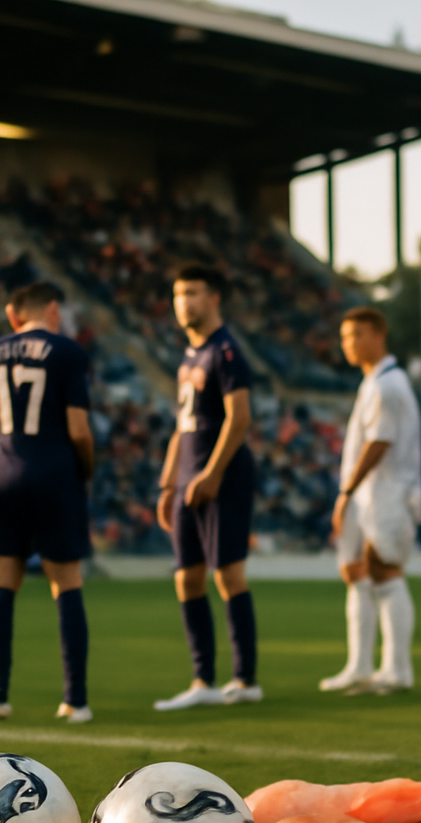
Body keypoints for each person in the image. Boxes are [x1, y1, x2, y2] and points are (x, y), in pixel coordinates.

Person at [0, 282, 96, 724]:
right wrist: (86, 471)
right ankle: (74, 701)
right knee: (66, 584)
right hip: (56, 476)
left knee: (2, 585)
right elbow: (79, 429)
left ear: (14, 315)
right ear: (53, 310)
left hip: (3, 476)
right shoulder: (68, 352)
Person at [152, 264, 260, 711]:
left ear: (214, 298)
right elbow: (182, 427)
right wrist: (167, 483)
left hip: (224, 478)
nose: (184, 302)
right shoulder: (189, 357)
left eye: (193, 293)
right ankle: (202, 680)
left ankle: (245, 679)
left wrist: (212, 473)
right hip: (187, 481)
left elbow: (239, 418)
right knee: (186, 578)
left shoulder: (227, 351)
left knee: (228, 575)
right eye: (179, 294)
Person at [319, 307, 421, 696]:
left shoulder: (388, 386)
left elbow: (380, 441)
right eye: (345, 336)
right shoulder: (374, 382)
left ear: (379, 336)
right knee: (356, 573)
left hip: (389, 491)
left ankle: (398, 669)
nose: (350, 343)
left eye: (358, 335)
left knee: (384, 571)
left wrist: (346, 490)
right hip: (368, 493)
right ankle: (360, 666)